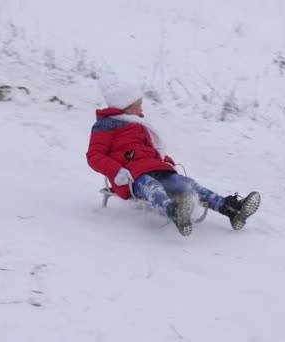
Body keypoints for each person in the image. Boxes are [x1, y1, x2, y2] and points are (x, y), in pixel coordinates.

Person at [86, 75, 260, 236]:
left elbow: (154, 149)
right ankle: (174, 211)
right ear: (125, 106)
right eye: (137, 103)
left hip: (157, 168)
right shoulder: (105, 127)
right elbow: (94, 155)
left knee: (188, 185)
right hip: (132, 176)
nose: (141, 107)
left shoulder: (139, 124)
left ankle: (231, 209)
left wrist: (167, 162)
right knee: (152, 187)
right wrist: (117, 171)